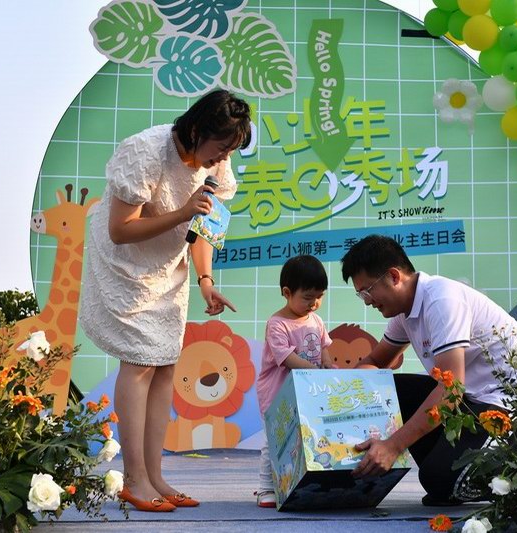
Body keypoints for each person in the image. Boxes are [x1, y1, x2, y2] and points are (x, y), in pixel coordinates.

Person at [79, 89, 251, 512]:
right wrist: (182, 212)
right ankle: (134, 478)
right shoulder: (145, 151)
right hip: (125, 265)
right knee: (139, 362)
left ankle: (155, 476)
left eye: (230, 151)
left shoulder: (215, 161)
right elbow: (121, 229)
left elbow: (204, 224)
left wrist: (206, 280)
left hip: (169, 264)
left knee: (165, 365)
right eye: (220, 148)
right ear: (196, 130)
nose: (223, 158)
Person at [340, 235, 517, 506]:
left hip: (511, 406)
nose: (367, 302)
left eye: (367, 291)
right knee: (392, 390)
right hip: (472, 402)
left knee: (439, 480)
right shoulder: (404, 312)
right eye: (361, 295)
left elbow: (452, 390)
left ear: (393, 276)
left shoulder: (441, 300)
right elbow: (374, 362)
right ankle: (448, 472)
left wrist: (392, 446)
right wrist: (353, 387)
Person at [254, 255, 335, 508]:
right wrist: (315, 373)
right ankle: (266, 488)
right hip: (278, 395)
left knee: (307, 439)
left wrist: (328, 366)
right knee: (274, 442)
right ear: (287, 293)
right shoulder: (277, 324)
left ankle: (295, 483)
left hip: (307, 393)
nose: (315, 303)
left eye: (320, 297)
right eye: (308, 297)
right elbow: (287, 358)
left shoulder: (316, 320)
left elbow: (324, 346)